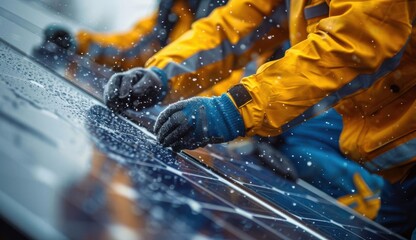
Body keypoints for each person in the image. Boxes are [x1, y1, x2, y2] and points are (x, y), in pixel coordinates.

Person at [42, 0, 385, 220]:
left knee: (307, 170)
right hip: (258, 110)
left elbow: (343, 47)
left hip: (292, 118)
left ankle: (368, 202)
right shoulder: (182, 8)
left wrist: (228, 115)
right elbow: (149, 43)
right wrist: (152, 75)